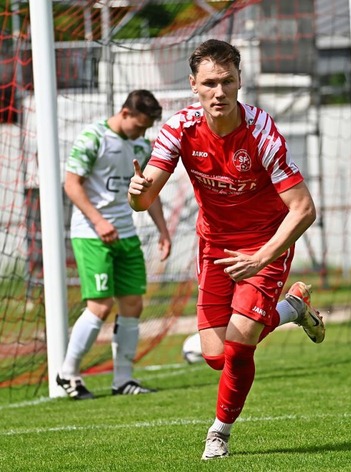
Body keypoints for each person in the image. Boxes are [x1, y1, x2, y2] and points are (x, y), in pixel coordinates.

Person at [127, 39, 325, 460]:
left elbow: (304, 209)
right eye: (211, 83)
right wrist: (136, 194)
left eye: (228, 82)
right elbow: (144, 201)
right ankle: (293, 309)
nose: (220, 92)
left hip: (263, 243)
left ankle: (219, 433)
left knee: (238, 348)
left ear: (239, 82)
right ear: (194, 85)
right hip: (215, 246)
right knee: (216, 356)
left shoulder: (261, 131)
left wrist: (263, 256)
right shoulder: (179, 129)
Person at [56, 90, 172, 399]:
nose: (142, 132)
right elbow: (71, 184)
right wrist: (98, 220)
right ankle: (67, 374)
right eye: (139, 125)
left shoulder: (141, 145)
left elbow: (148, 193)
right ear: (125, 113)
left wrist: (163, 230)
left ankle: (123, 380)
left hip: (126, 234)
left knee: (133, 303)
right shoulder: (92, 138)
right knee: (101, 305)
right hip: (93, 234)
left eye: (147, 127)